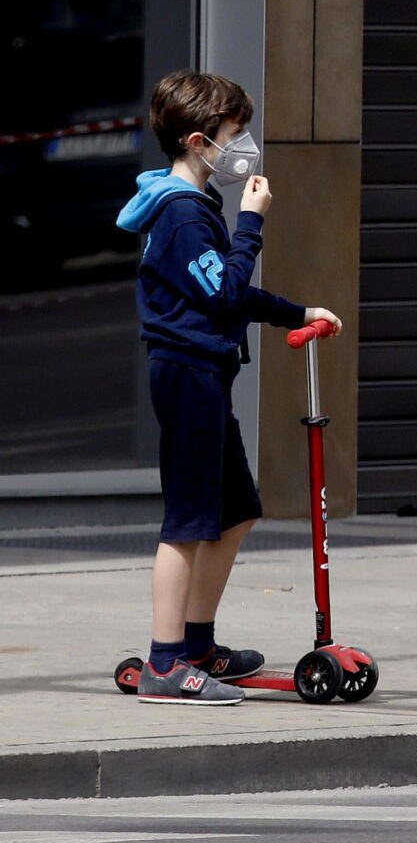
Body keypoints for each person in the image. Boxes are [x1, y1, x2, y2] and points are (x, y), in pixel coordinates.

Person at [116, 71, 341, 704]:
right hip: (186, 374)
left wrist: (299, 313)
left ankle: (196, 644)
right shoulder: (184, 213)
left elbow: (229, 296)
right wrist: (252, 223)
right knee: (188, 522)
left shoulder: (194, 207)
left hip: (206, 371)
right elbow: (224, 291)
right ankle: (166, 664)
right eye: (234, 134)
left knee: (235, 511)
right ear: (198, 140)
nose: (244, 146)